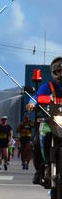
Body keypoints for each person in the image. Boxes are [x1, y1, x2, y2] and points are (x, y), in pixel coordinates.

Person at [28, 56, 62, 184]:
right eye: (58, 71)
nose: (61, 73)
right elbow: (36, 96)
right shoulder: (48, 86)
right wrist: (32, 103)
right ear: (54, 72)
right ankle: (40, 169)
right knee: (37, 141)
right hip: (51, 120)